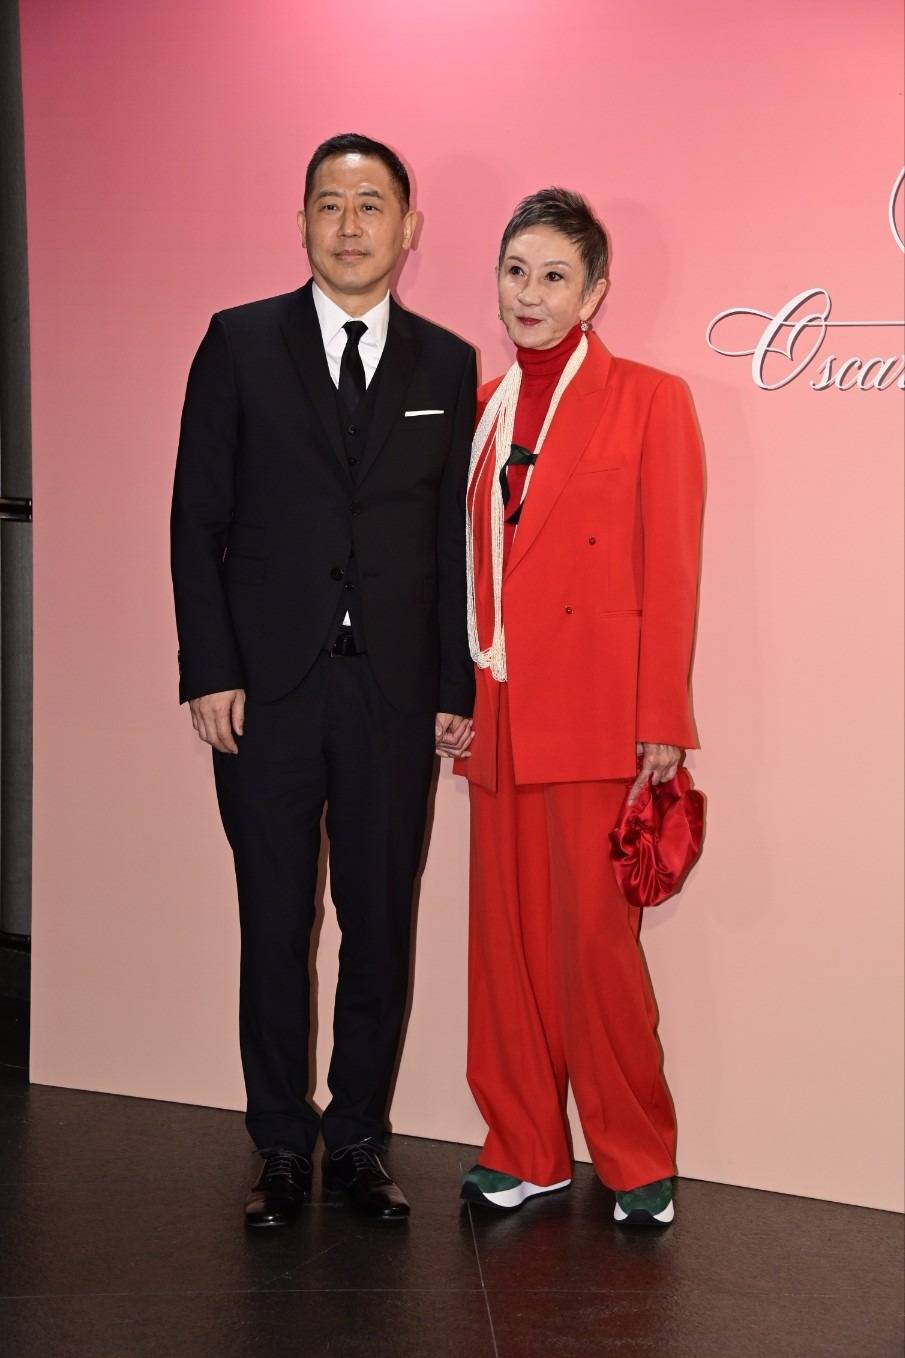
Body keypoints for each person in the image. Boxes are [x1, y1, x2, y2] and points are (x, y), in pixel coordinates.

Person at [171, 133, 476, 1228]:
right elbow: (195, 517)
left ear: (408, 227)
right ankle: (276, 1143)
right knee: (272, 919)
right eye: (329, 204)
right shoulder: (238, 341)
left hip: (392, 693)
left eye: (371, 204)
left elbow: (448, 542)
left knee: (379, 921)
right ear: (300, 221)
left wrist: (454, 684)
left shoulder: (446, 362)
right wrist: (209, 667)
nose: (350, 225)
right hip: (268, 692)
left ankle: (354, 1139)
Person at [456, 188, 703, 1228]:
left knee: (597, 949)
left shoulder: (651, 399)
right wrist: (450, 696)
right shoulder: (478, 405)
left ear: (594, 292)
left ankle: (635, 1153)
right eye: (515, 270)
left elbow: (671, 566)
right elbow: (458, 568)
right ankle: (523, 1145)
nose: (530, 293)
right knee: (503, 950)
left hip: (599, 718)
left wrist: (661, 716)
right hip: (496, 710)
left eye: (554, 275)